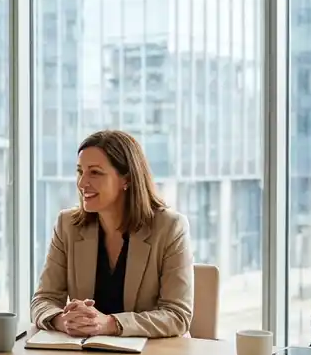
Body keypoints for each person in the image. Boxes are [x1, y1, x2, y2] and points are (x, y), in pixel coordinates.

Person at [31, 129, 194, 338]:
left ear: (126, 179)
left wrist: (109, 323)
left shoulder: (170, 227)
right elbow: (43, 300)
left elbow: (177, 315)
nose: (82, 183)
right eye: (80, 171)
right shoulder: (68, 225)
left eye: (95, 172)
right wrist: (62, 320)